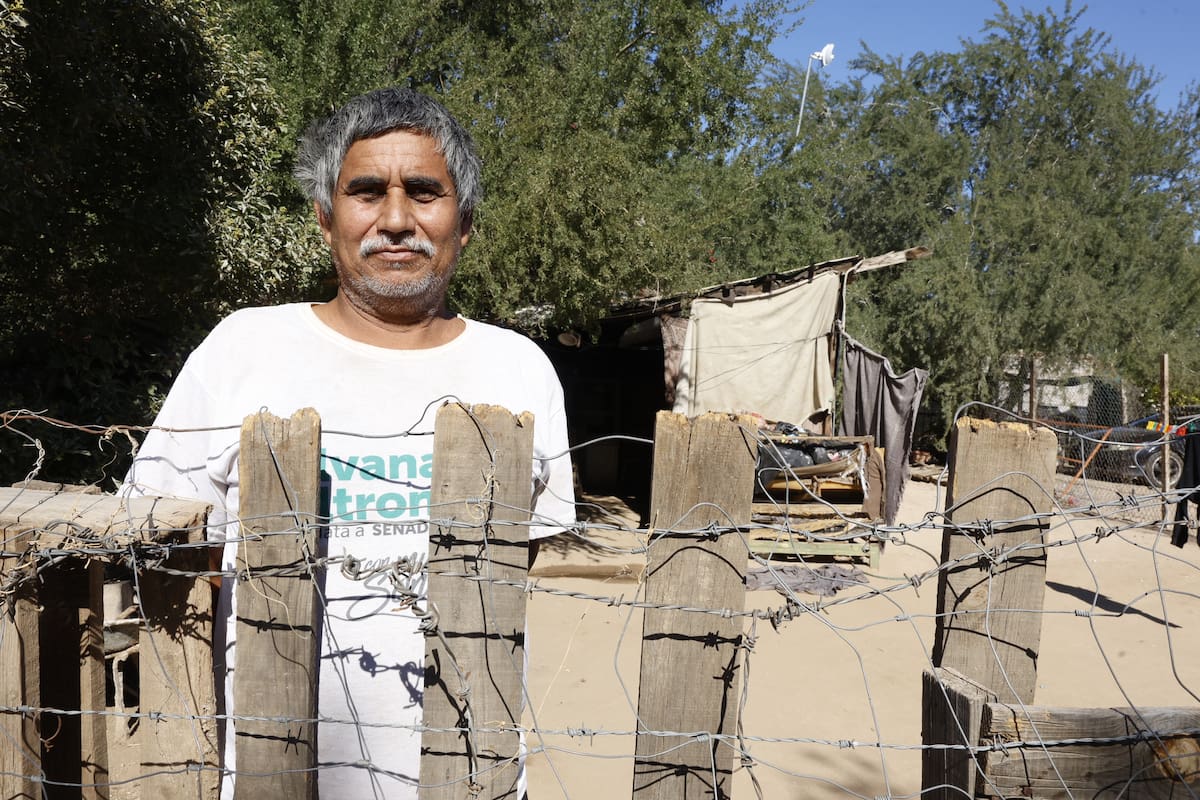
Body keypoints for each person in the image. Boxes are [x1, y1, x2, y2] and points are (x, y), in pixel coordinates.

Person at [124, 87, 576, 797]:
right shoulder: (243, 349)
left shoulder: (519, 369)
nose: (395, 220)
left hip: (467, 775)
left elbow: (523, 564)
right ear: (325, 215)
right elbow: (171, 558)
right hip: (274, 776)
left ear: (465, 223)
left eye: (424, 192)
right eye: (367, 192)